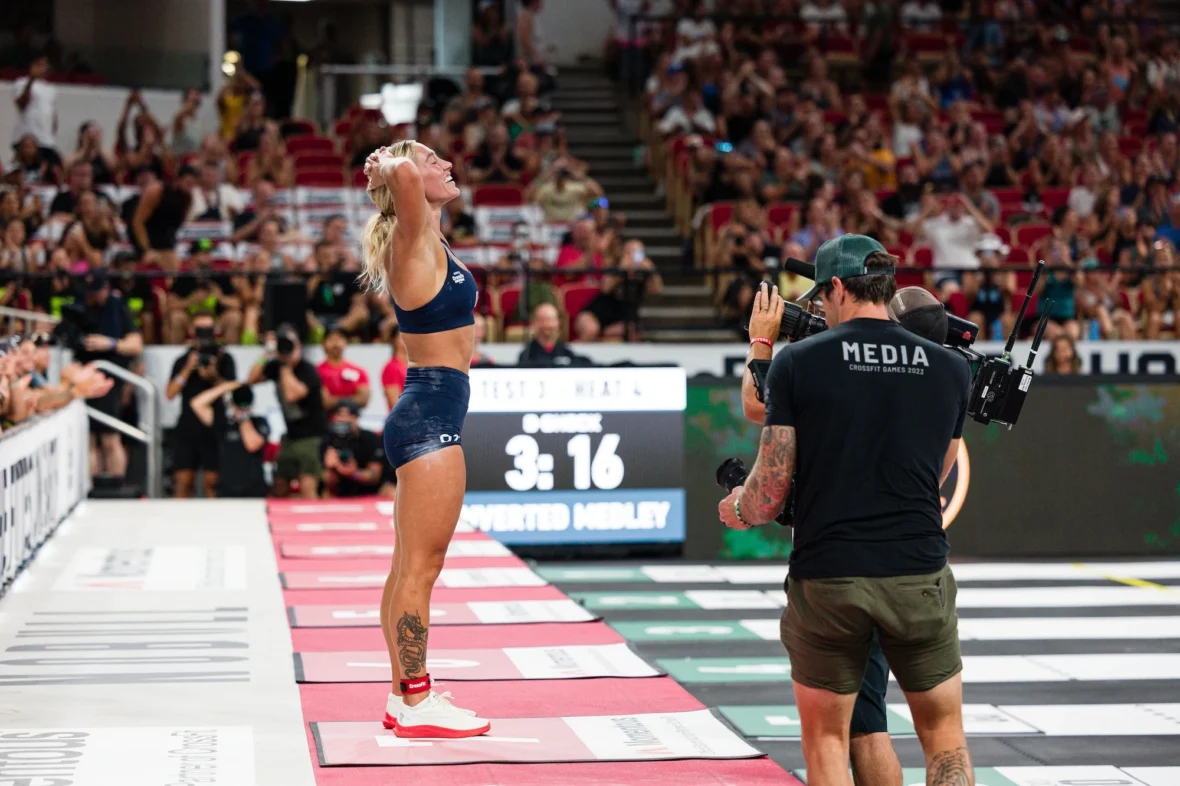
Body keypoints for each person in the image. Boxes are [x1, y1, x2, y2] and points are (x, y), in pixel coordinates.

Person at [719, 235, 973, 786]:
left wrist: (736, 508)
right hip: (918, 569)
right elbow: (937, 475)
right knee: (945, 739)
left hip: (829, 576)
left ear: (837, 286)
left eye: (822, 296)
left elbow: (768, 493)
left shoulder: (799, 364)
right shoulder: (953, 370)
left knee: (829, 741)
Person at [360, 140, 489, 737]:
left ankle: (398, 695)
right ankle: (416, 699)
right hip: (430, 412)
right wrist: (388, 159)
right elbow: (407, 175)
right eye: (434, 160)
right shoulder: (411, 232)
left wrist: (398, 163)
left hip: (426, 407)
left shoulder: (426, 238)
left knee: (405, 567)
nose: (446, 166)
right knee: (421, 570)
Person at [73, 270, 145, 481]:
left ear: (105, 288)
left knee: (110, 437)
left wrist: (110, 343)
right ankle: (91, 487)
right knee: (89, 438)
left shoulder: (118, 309)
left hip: (109, 380)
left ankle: (116, 485)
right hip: (82, 379)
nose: (92, 296)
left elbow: (136, 345)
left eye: (96, 291)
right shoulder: (79, 308)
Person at [246, 325, 326, 498]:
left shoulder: (307, 370)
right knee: (280, 485)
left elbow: (291, 395)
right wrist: (266, 353)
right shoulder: (275, 366)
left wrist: (285, 365)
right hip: (290, 436)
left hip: (311, 436)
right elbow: (251, 380)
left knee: (307, 485)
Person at [166, 313, 238, 498]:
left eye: (208, 330)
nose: (204, 335)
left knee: (213, 483)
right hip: (187, 427)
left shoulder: (224, 358)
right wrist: (188, 369)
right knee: (183, 482)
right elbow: (170, 393)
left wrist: (213, 376)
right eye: (200, 330)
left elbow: (232, 390)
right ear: (191, 331)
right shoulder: (183, 360)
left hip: (214, 427)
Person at [190, 381, 270, 498]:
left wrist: (243, 416)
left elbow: (252, 445)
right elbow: (196, 404)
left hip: (254, 490)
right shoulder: (224, 423)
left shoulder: (259, 422)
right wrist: (225, 387)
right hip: (226, 490)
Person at [323, 401, 393, 499]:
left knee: (391, 491)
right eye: (339, 415)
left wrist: (354, 473)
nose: (343, 420)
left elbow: (374, 475)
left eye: (348, 415)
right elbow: (325, 480)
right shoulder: (327, 440)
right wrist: (332, 468)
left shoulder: (370, 439)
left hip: (369, 488)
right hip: (338, 489)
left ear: (356, 418)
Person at [317, 326, 371, 411]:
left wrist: (336, 401)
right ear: (323, 343)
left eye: (339, 339)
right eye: (331, 339)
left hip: (352, 420)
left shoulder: (358, 371)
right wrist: (351, 400)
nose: (335, 343)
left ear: (346, 342)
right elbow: (324, 402)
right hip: (326, 420)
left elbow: (363, 400)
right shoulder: (317, 372)